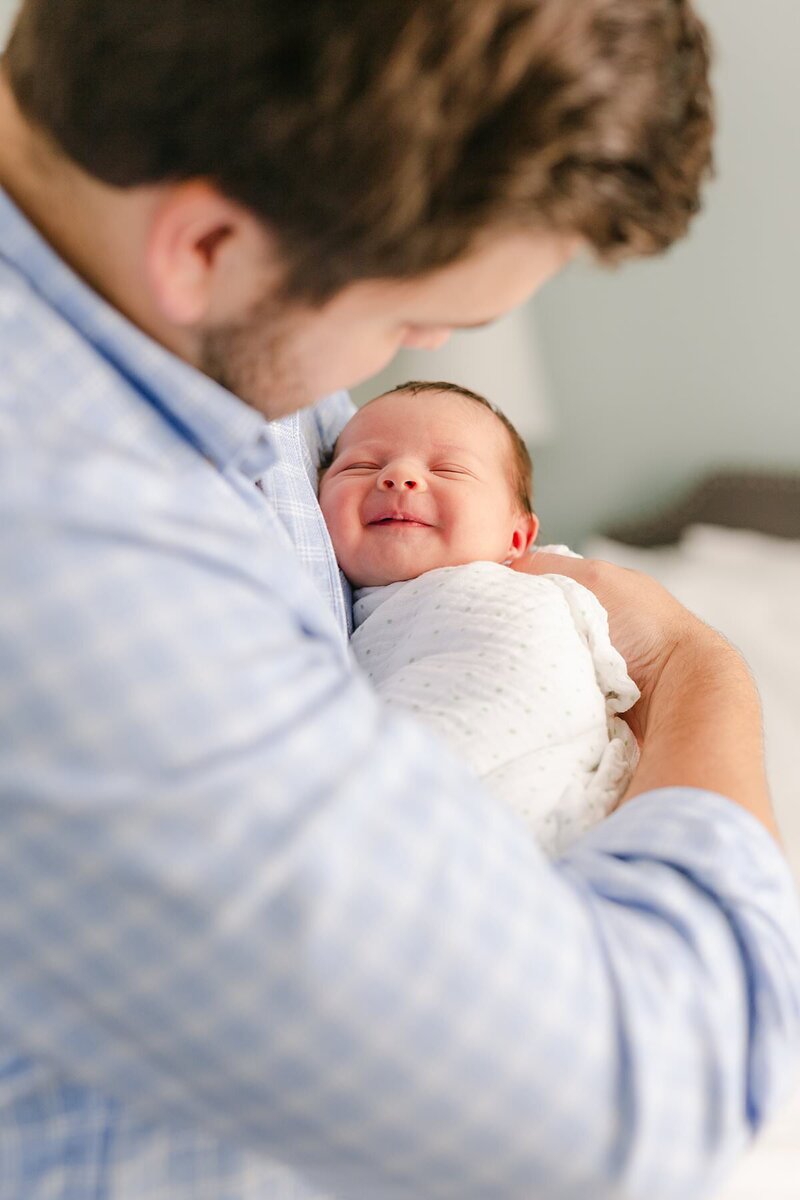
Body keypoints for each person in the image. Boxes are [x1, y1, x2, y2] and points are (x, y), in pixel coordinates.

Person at [0, 2, 798, 1198]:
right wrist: (693, 667)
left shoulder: (156, 319)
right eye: (409, 317)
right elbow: (649, 1095)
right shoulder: (81, 580)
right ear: (206, 248)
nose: (395, 370)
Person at [319, 380, 641, 854]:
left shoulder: (502, 601)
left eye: (448, 469)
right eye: (361, 465)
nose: (398, 476)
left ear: (516, 539)